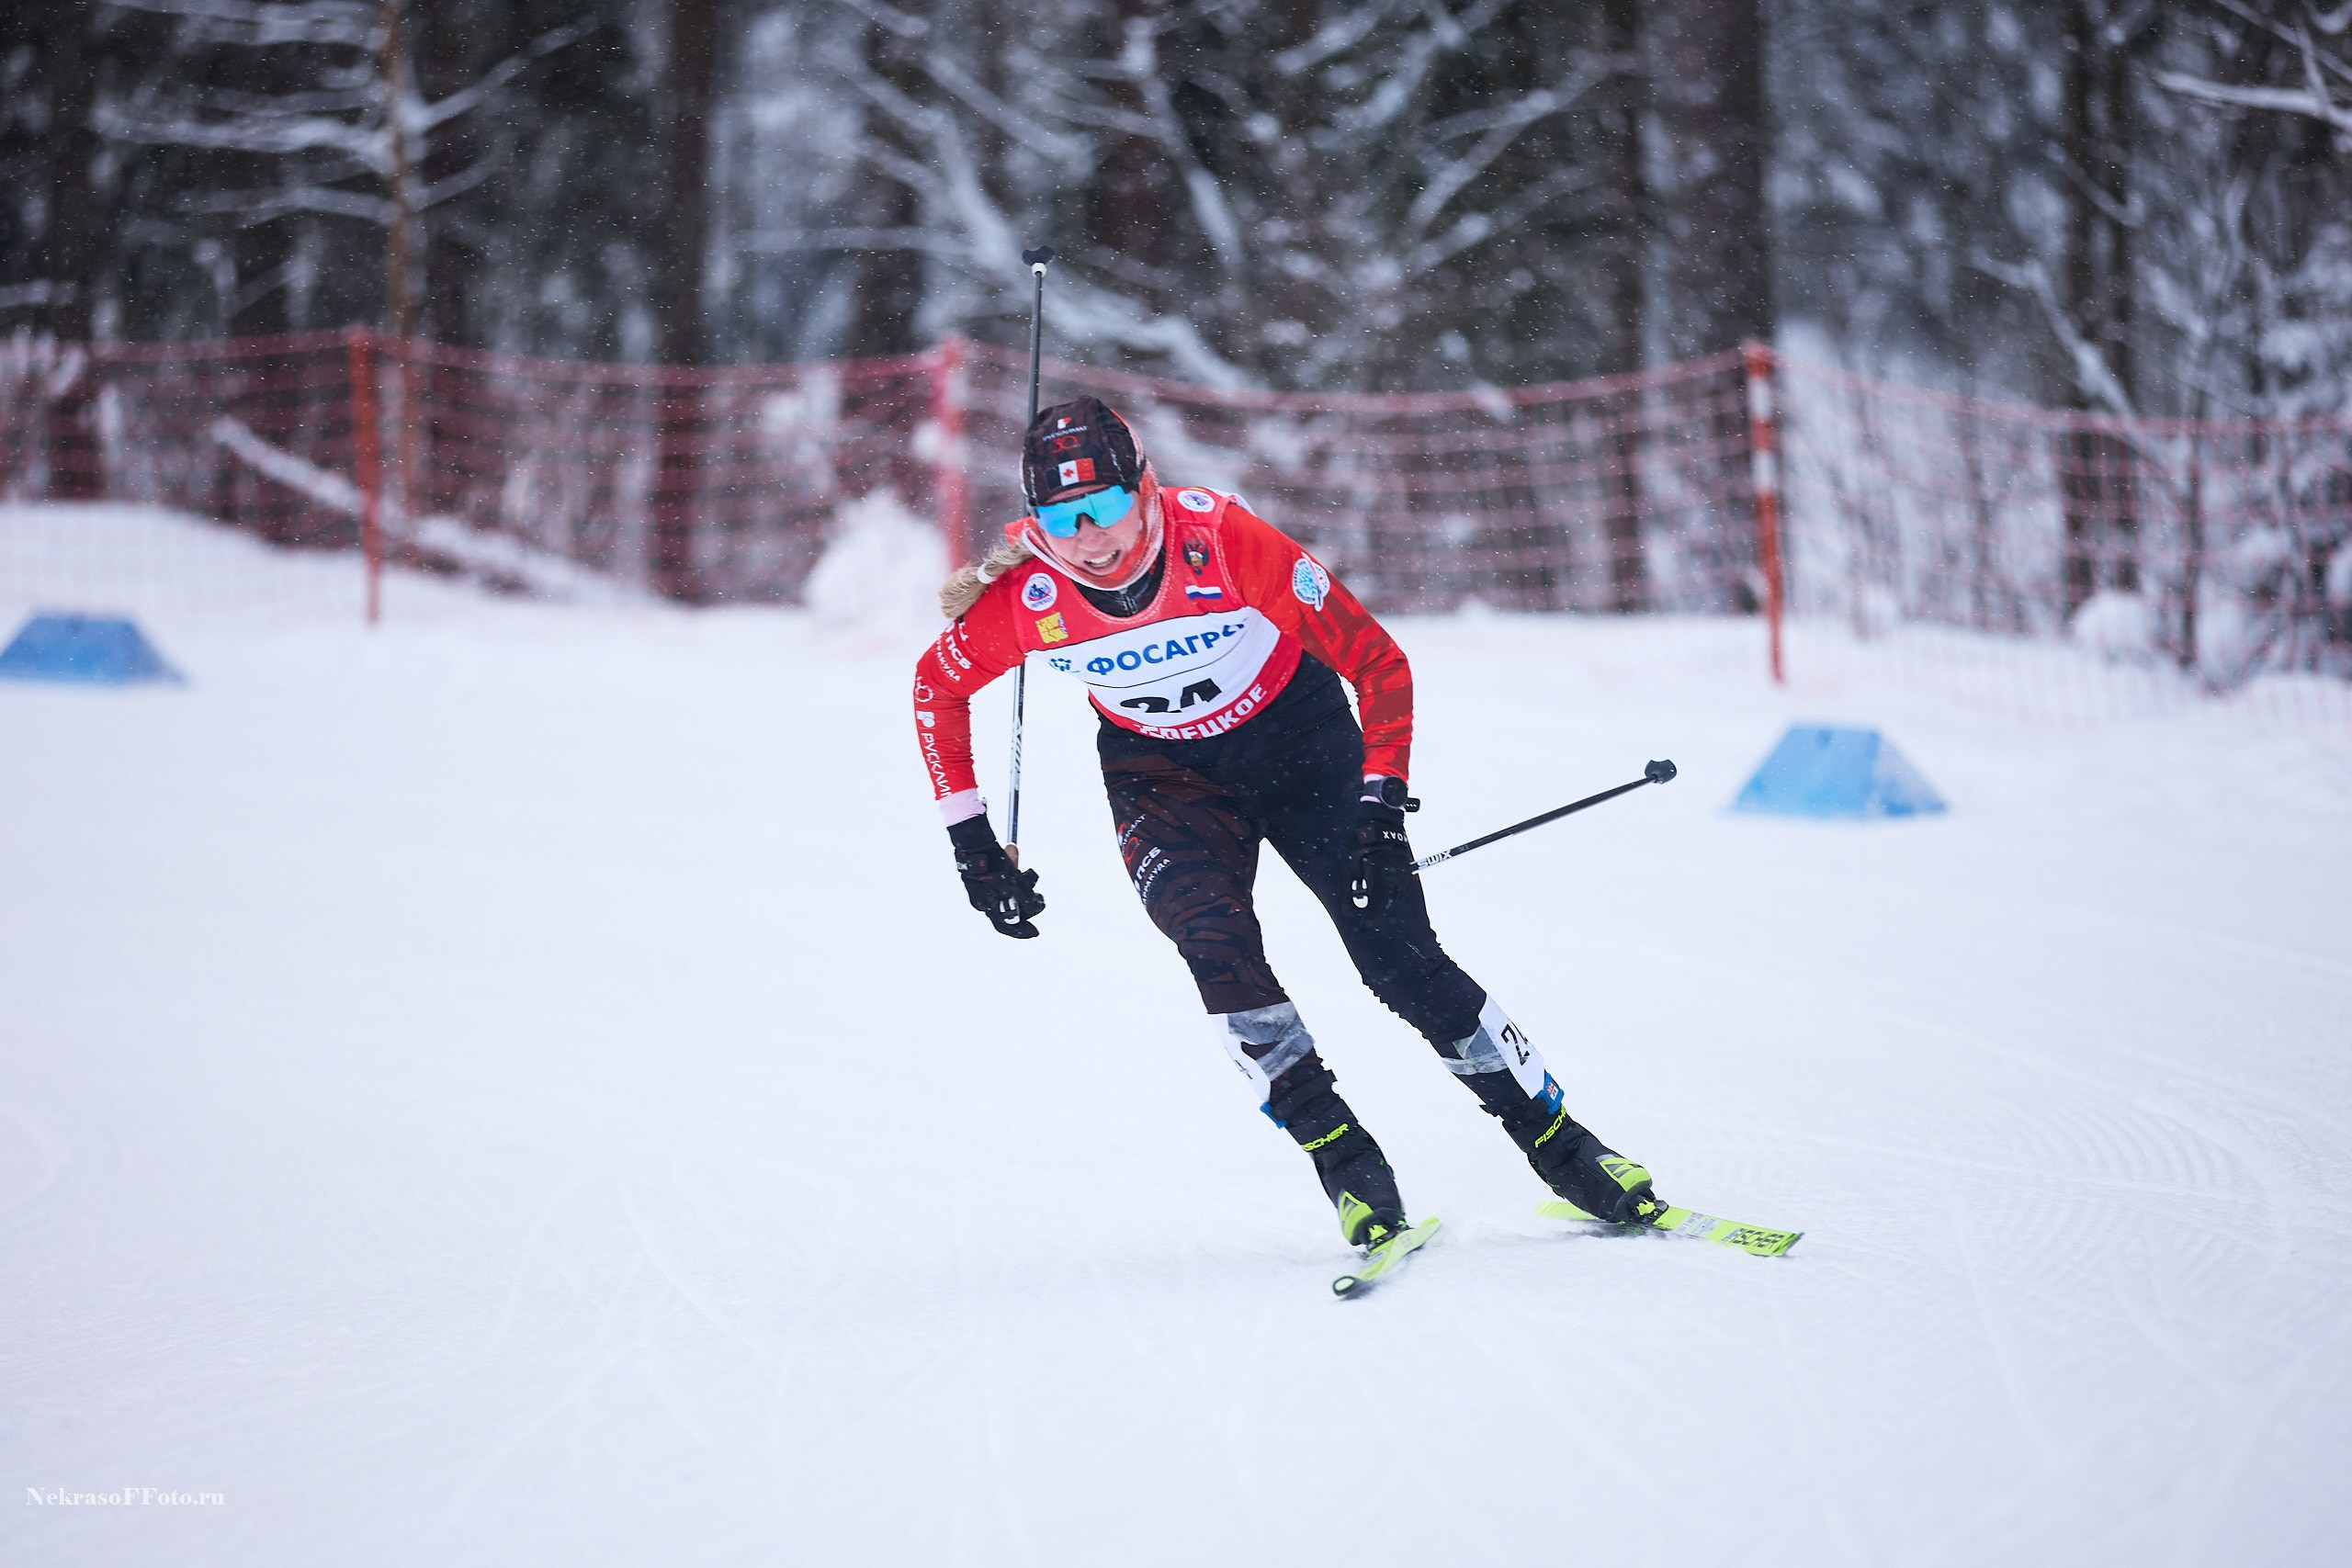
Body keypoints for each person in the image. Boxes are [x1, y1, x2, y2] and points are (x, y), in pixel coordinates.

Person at [912, 396, 1659, 1252]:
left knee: (1398, 959)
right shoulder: (1028, 596)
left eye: (1105, 505)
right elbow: (936, 690)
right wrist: (973, 845)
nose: (1089, 536)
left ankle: (1564, 1146)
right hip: (1164, 779)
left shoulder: (1224, 542)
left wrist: (1382, 805)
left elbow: (1378, 662)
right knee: (1214, 945)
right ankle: (1345, 1163)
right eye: (1061, 517)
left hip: (1300, 747)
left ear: (1145, 486)